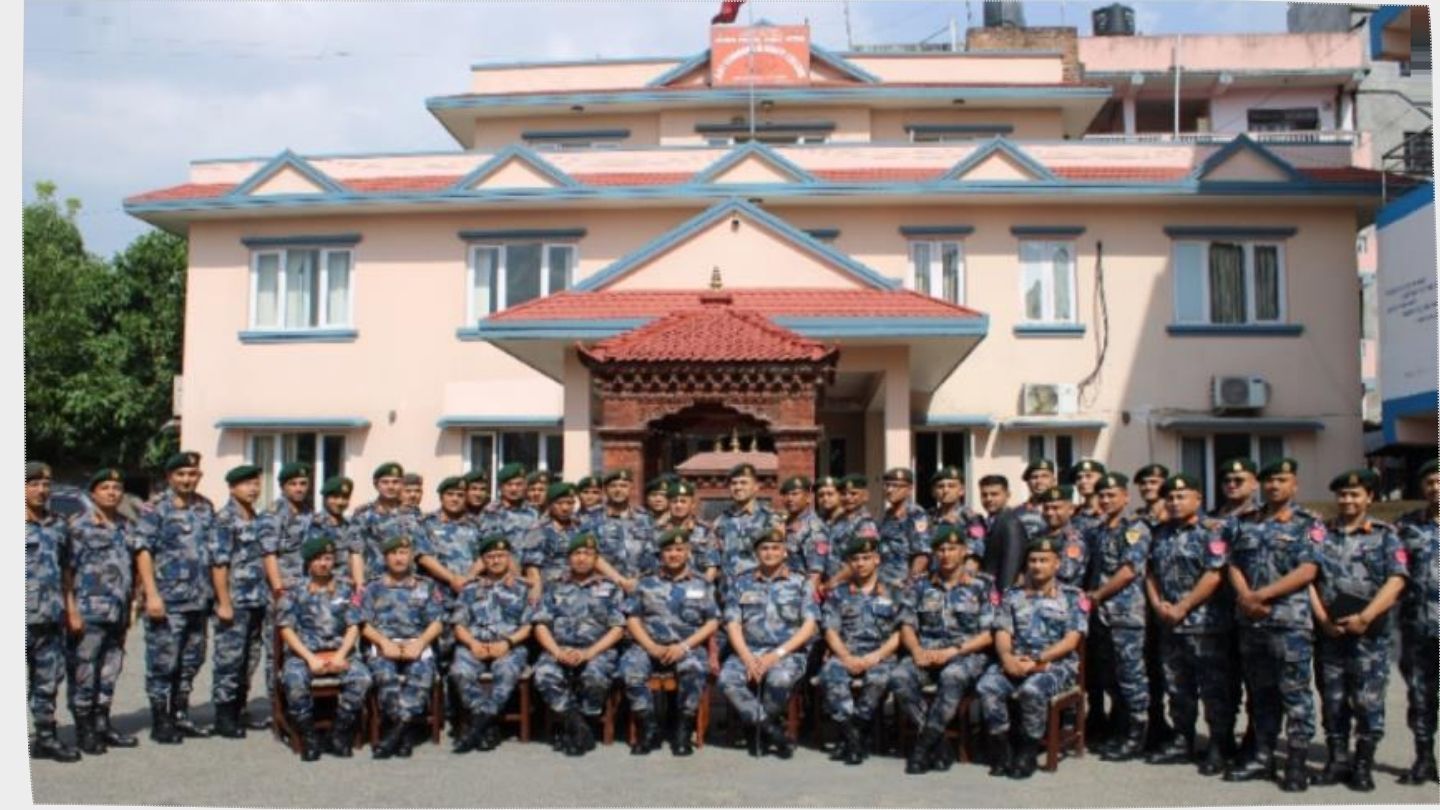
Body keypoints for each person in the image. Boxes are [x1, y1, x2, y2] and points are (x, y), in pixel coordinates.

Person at [1222, 458, 1322, 792]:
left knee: (1295, 695)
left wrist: (1262, 594)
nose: (1274, 486)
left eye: (1281, 480)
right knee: (1260, 693)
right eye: (1269, 480)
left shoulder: (1309, 523)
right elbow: (1232, 563)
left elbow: (1308, 570)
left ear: (1294, 485)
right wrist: (1246, 597)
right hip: (1252, 622)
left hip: (1289, 623)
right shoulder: (1245, 522)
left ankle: (1296, 761)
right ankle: (1262, 756)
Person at [1309, 468, 1408, 791]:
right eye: (1342, 494)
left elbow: (1396, 580)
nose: (1347, 500)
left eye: (1355, 494)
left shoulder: (1386, 534)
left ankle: (1363, 764)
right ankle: (1337, 760)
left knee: (1368, 703)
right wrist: (1322, 619)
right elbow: (1308, 577)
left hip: (1369, 635)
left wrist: (1365, 617)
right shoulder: (1320, 533)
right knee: (1333, 700)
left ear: (1370, 497)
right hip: (1330, 633)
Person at [1144, 474, 1236, 774]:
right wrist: (1158, 605)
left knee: (1213, 689)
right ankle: (1183, 738)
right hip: (1169, 623)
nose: (1174, 502)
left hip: (1204, 624)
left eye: (1181, 497)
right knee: (1177, 686)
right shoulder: (1158, 533)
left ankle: (1219, 745)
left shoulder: (1213, 531)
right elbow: (1150, 573)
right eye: (1169, 498)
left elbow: (1214, 575)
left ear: (1198, 499)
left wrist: (1183, 606)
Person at [976, 535, 1089, 780]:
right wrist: (1006, 657)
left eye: (1044, 560)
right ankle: (1002, 747)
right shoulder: (1012, 595)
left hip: (1056, 664)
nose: (1037, 565)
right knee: (987, 685)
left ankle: (1028, 749)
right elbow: (1003, 632)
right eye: (1033, 560)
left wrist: (1037, 660)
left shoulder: (1072, 596)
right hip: (1016, 660)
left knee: (1032, 690)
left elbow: (1071, 640)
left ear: (1057, 563)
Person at [891, 524, 996, 775]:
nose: (946, 554)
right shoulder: (919, 585)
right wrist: (916, 650)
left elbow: (989, 634)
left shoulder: (982, 585)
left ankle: (922, 747)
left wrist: (954, 651)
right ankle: (939, 744)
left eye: (952, 548)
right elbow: (906, 623)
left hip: (965, 654)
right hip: (926, 652)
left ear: (964, 552)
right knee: (899, 678)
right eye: (941, 549)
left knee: (953, 677)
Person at [134, 451, 215, 744]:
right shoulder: (155, 508)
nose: (187, 479)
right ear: (170, 477)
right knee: (162, 663)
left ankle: (180, 713)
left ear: (199, 476)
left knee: (192, 659)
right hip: (168, 601)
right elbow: (143, 551)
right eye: (180, 474)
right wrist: (152, 594)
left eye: (192, 474)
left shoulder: (205, 507)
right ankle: (160, 720)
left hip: (199, 599)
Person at [719, 527, 820, 759]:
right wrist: (746, 657)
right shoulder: (740, 583)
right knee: (727, 679)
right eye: (764, 548)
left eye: (775, 548)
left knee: (779, 679)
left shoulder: (801, 583)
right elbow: (732, 623)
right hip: (748, 650)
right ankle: (770, 730)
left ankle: (754, 728)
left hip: (787, 653)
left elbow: (809, 626)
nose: (770, 552)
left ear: (784, 552)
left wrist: (777, 655)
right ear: (756, 553)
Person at [620, 528, 720, 757]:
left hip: (687, 646)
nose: (673, 554)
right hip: (648, 644)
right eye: (668, 550)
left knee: (694, 669)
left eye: (679, 549)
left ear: (688, 552)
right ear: (661, 554)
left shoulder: (702, 583)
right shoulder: (645, 583)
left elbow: (712, 622)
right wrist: (650, 646)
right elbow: (633, 618)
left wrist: (683, 647)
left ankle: (683, 729)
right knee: (631, 670)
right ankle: (649, 728)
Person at [63, 467, 139, 755]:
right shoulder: (79, 526)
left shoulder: (126, 526)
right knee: (84, 670)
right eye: (105, 487)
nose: (112, 493)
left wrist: (134, 603)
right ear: (93, 493)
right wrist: (71, 610)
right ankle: (84, 729)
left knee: (110, 670)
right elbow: (67, 571)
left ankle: (102, 723)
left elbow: (131, 567)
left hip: (116, 612)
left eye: (116, 488)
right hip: (87, 611)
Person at [276, 535, 370, 761]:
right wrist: (310, 659)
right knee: (294, 679)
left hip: (339, 652)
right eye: (318, 559)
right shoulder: (294, 591)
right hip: (305, 654)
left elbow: (354, 625)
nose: (323, 563)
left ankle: (338, 733)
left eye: (328, 558)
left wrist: (340, 655)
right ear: (309, 562)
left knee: (362, 677)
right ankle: (309, 736)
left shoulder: (346, 589)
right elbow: (286, 629)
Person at [532, 533, 626, 757]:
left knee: (594, 675)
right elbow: (540, 624)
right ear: (569, 558)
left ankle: (583, 721)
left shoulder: (611, 588)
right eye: (576, 554)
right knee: (545, 674)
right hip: (560, 648)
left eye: (587, 554)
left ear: (596, 559)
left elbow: (618, 628)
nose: (582, 558)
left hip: (597, 650)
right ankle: (578, 726)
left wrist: (589, 652)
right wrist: (556, 651)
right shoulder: (554, 587)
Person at [819, 534, 903, 766]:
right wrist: (845, 657)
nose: (860, 563)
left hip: (881, 654)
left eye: (866, 558)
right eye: (855, 559)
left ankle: (853, 733)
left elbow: (901, 632)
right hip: (846, 652)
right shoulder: (838, 593)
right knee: (830, 675)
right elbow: (830, 630)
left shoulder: (894, 591)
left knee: (879, 679)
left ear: (877, 559)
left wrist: (875, 656)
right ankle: (854, 737)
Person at [1085, 473, 1152, 762]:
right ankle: (1120, 727)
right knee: (1110, 676)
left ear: (1126, 497)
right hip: (1101, 618)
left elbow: (1128, 570)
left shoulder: (1135, 529)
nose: (1106, 500)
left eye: (1112, 494)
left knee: (1131, 676)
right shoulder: (1099, 530)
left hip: (1125, 615)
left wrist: (1098, 594)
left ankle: (1137, 735)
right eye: (1102, 495)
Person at [360, 536, 445, 759]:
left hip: (417, 645)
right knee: (384, 676)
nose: (399, 558)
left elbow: (437, 622)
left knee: (421, 676)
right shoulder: (372, 587)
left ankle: (395, 733)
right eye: (394, 553)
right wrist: (383, 642)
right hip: (384, 645)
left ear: (411, 556)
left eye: (404, 553)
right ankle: (405, 733)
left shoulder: (425, 586)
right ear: (385, 557)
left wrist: (419, 644)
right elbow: (362, 623)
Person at [449, 536, 533, 754]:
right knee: (459, 671)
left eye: (500, 556)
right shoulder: (469, 589)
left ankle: (478, 727)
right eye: (490, 557)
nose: (495, 561)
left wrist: (507, 642)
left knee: (506, 670)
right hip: (473, 645)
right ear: (483, 561)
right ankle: (487, 724)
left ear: (509, 559)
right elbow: (458, 624)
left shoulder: (523, 588)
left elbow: (529, 625)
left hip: (509, 646)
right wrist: (472, 643)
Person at [208, 464, 270, 739]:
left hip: (256, 600)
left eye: (256, 484)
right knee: (229, 660)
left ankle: (239, 708)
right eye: (246, 484)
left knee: (249, 658)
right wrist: (224, 602)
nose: (253, 489)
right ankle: (224, 716)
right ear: (232, 488)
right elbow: (219, 564)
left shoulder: (254, 517)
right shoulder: (225, 519)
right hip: (235, 601)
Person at [27, 461, 81, 763]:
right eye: (33, 483)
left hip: (49, 616)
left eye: (46, 484)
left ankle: (45, 737)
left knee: (47, 680)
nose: (41, 490)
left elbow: (66, 572)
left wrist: (71, 609)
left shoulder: (58, 524)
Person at [1396, 459, 1439, 785]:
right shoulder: (1406, 526)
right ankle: (1424, 759)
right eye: (1430, 483)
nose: (1435, 488)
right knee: (1420, 696)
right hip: (1418, 628)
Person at [712, 464, 784, 595]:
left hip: (760, 593)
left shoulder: (771, 519)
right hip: (728, 593)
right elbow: (713, 560)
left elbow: (780, 558)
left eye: (744, 483)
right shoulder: (720, 521)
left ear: (756, 487)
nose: (738, 487)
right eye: (734, 483)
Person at [351, 462, 423, 582]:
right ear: (376, 484)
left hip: (408, 583)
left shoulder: (413, 512)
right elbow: (356, 552)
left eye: (395, 482)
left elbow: (420, 550)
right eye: (385, 482)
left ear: (401, 484)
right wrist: (359, 584)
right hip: (375, 582)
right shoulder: (363, 514)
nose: (390, 486)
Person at [593, 470, 657, 594]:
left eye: (623, 486)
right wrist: (619, 580)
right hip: (604, 585)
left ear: (631, 488)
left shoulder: (644, 518)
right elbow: (592, 555)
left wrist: (637, 580)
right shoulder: (593, 518)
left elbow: (653, 553)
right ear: (605, 489)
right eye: (613, 486)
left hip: (639, 585)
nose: (618, 490)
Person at [522, 482, 587, 592]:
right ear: (550, 504)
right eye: (559, 503)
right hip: (550, 588)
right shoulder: (538, 530)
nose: (565, 508)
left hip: (578, 587)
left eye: (570, 503)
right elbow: (532, 567)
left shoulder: (580, 528)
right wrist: (536, 589)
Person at [260, 462, 314, 593]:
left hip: (306, 584)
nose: (299, 488)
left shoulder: (308, 511)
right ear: (282, 487)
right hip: (283, 586)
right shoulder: (273, 514)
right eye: (293, 484)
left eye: (303, 483)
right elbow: (268, 554)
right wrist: (278, 589)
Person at [303, 476, 363, 589]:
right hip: (322, 588)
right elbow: (314, 563)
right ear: (325, 498)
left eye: (345, 498)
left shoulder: (350, 525)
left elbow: (355, 554)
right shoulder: (315, 524)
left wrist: (359, 585)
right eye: (335, 497)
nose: (340, 502)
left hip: (347, 588)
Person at [825, 475, 881, 592]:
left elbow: (861, 562)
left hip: (852, 588)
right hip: (832, 586)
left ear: (865, 496)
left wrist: (833, 582)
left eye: (853, 494)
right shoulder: (837, 520)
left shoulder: (865, 524)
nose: (848, 498)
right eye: (844, 494)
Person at [478, 462, 540, 567]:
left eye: (518, 484)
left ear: (525, 486)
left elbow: (534, 546)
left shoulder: (532, 512)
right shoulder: (492, 512)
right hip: (501, 572)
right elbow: (493, 548)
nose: (514, 489)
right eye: (509, 484)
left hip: (527, 571)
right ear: (500, 487)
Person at [877, 468, 930, 586]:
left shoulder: (916, 515)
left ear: (909, 490)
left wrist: (909, 584)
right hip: (884, 584)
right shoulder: (886, 515)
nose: (890, 490)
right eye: (887, 485)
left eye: (896, 486)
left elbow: (922, 555)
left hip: (903, 584)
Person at [930, 466, 988, 572]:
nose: (945, 490)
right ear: (934, 492)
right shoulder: (928, 516)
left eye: (951, 486)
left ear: (961, 491)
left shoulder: (971, 518)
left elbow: (975, 553)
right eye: (940, 486)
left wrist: (965, 579)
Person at [977, 474, 1027, 590]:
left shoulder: (1010, 523)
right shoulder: (990, 522)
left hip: (1000, 593)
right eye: (984, 495)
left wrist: (1004, 593)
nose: (989, 499)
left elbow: (1011, 564)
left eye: (994, 494)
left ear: (1007, 495)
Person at [780, 476, 829, 593]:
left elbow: (815, 574)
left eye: (795, 494)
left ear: (808, 497)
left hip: (800, 594)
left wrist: (807, 605)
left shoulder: (813, 528)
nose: (789, 499)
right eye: (786, 495)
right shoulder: (785, 524)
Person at [1033, 486, 1087, 588]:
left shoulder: (1074, 540)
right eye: (1046, 508)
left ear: (1070, 510)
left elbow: (1066, 573)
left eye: (1055, 508)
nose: (1050, 513)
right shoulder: (1038, 535)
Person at [667, 479, 720, 583]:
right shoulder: (659, 531)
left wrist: (704, 588)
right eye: (674, 501)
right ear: (669, 505)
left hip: (697, 588)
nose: (678, 505)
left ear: (692, 505)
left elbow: (712, 567)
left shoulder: (705, 531)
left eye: (683, 501)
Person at [1017, 460, 1056, 541]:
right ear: (1028, 483)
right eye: (1034, 477)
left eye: (1045, 476)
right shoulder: (1017, 514)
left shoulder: (1065, 511)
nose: (1039, 481)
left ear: (1054, 481)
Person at [1069, 460, 1108, 538]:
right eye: (1079, 478)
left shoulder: (1110, 512)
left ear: (1101, 479)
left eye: (1089, 476)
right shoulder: (1073, 514)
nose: (1083, 481)